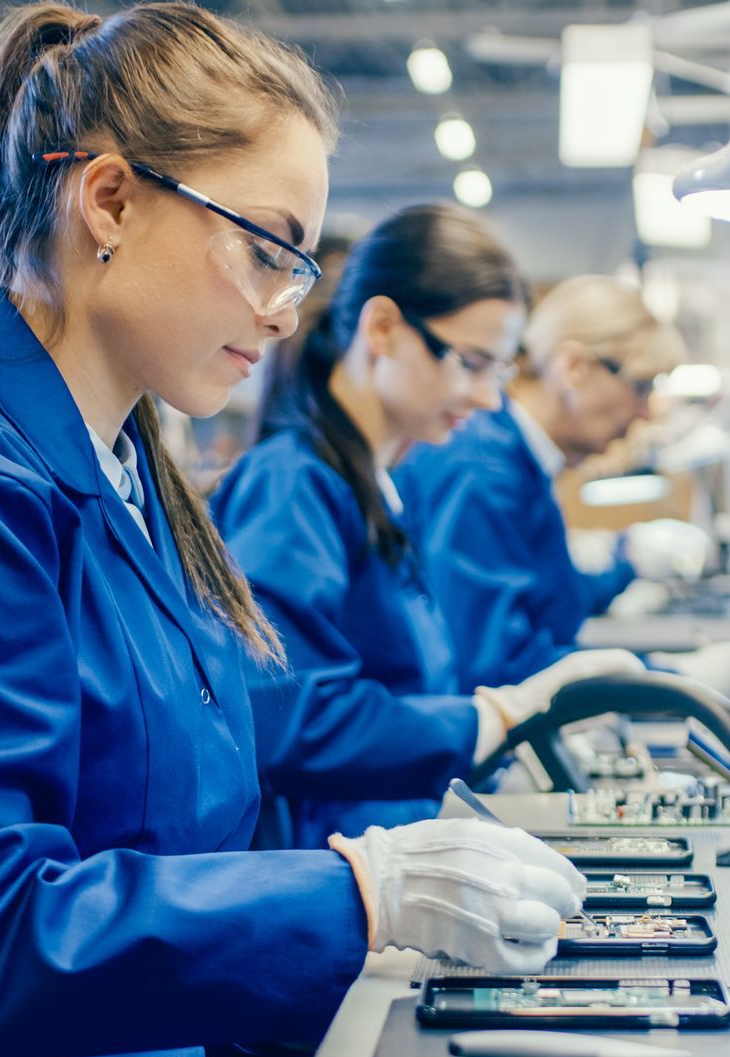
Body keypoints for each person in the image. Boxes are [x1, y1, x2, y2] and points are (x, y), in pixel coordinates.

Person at [0, 6, 583, 1057]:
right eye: (269, 247)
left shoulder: (136, 492)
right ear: (111, 200)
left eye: (300, 269)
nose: (284, 313)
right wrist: (357, 899)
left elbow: (174, 862)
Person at [211, 206, 645, 849]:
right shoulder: (294, 488)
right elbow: (286, 718)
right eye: (470, 363)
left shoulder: (376, 489)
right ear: (383, 328)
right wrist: (485, 721)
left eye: (498, 370)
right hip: (331, 875)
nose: (488, 398)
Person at [398, 276, 730, 697]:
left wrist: (624, 562)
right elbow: (496, 666)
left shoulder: (519, 459)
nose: (646, 412)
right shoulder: (481, 469)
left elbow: (539, 602)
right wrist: (667, 682)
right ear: (573, 368)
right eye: (640, 386)